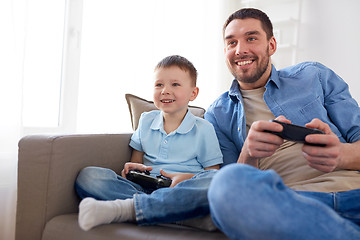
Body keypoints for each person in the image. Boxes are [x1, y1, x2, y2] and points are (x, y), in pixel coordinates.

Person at [205, 8, 360, 239]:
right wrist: (248, 152)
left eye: (251, 38)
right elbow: (236, 187)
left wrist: (341, 154)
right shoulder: (217, 114)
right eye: (231, 42)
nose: (240, 50)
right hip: (294, 205)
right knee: (224, 186)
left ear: (272, 45)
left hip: (354, 193)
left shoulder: (314, 75)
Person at [75, 55, 223, 231]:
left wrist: (184, 178)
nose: (165, 90)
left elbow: (214, 174)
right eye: (159, 84)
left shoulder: (204, 129)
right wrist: (133, 168)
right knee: (89, 177)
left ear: (193, 93)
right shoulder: (146, 120)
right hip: (144, 187)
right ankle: (176, 216)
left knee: (215, 181)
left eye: (175, 84)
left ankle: (135, 210)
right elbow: (137, 161)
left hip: (181, 190)